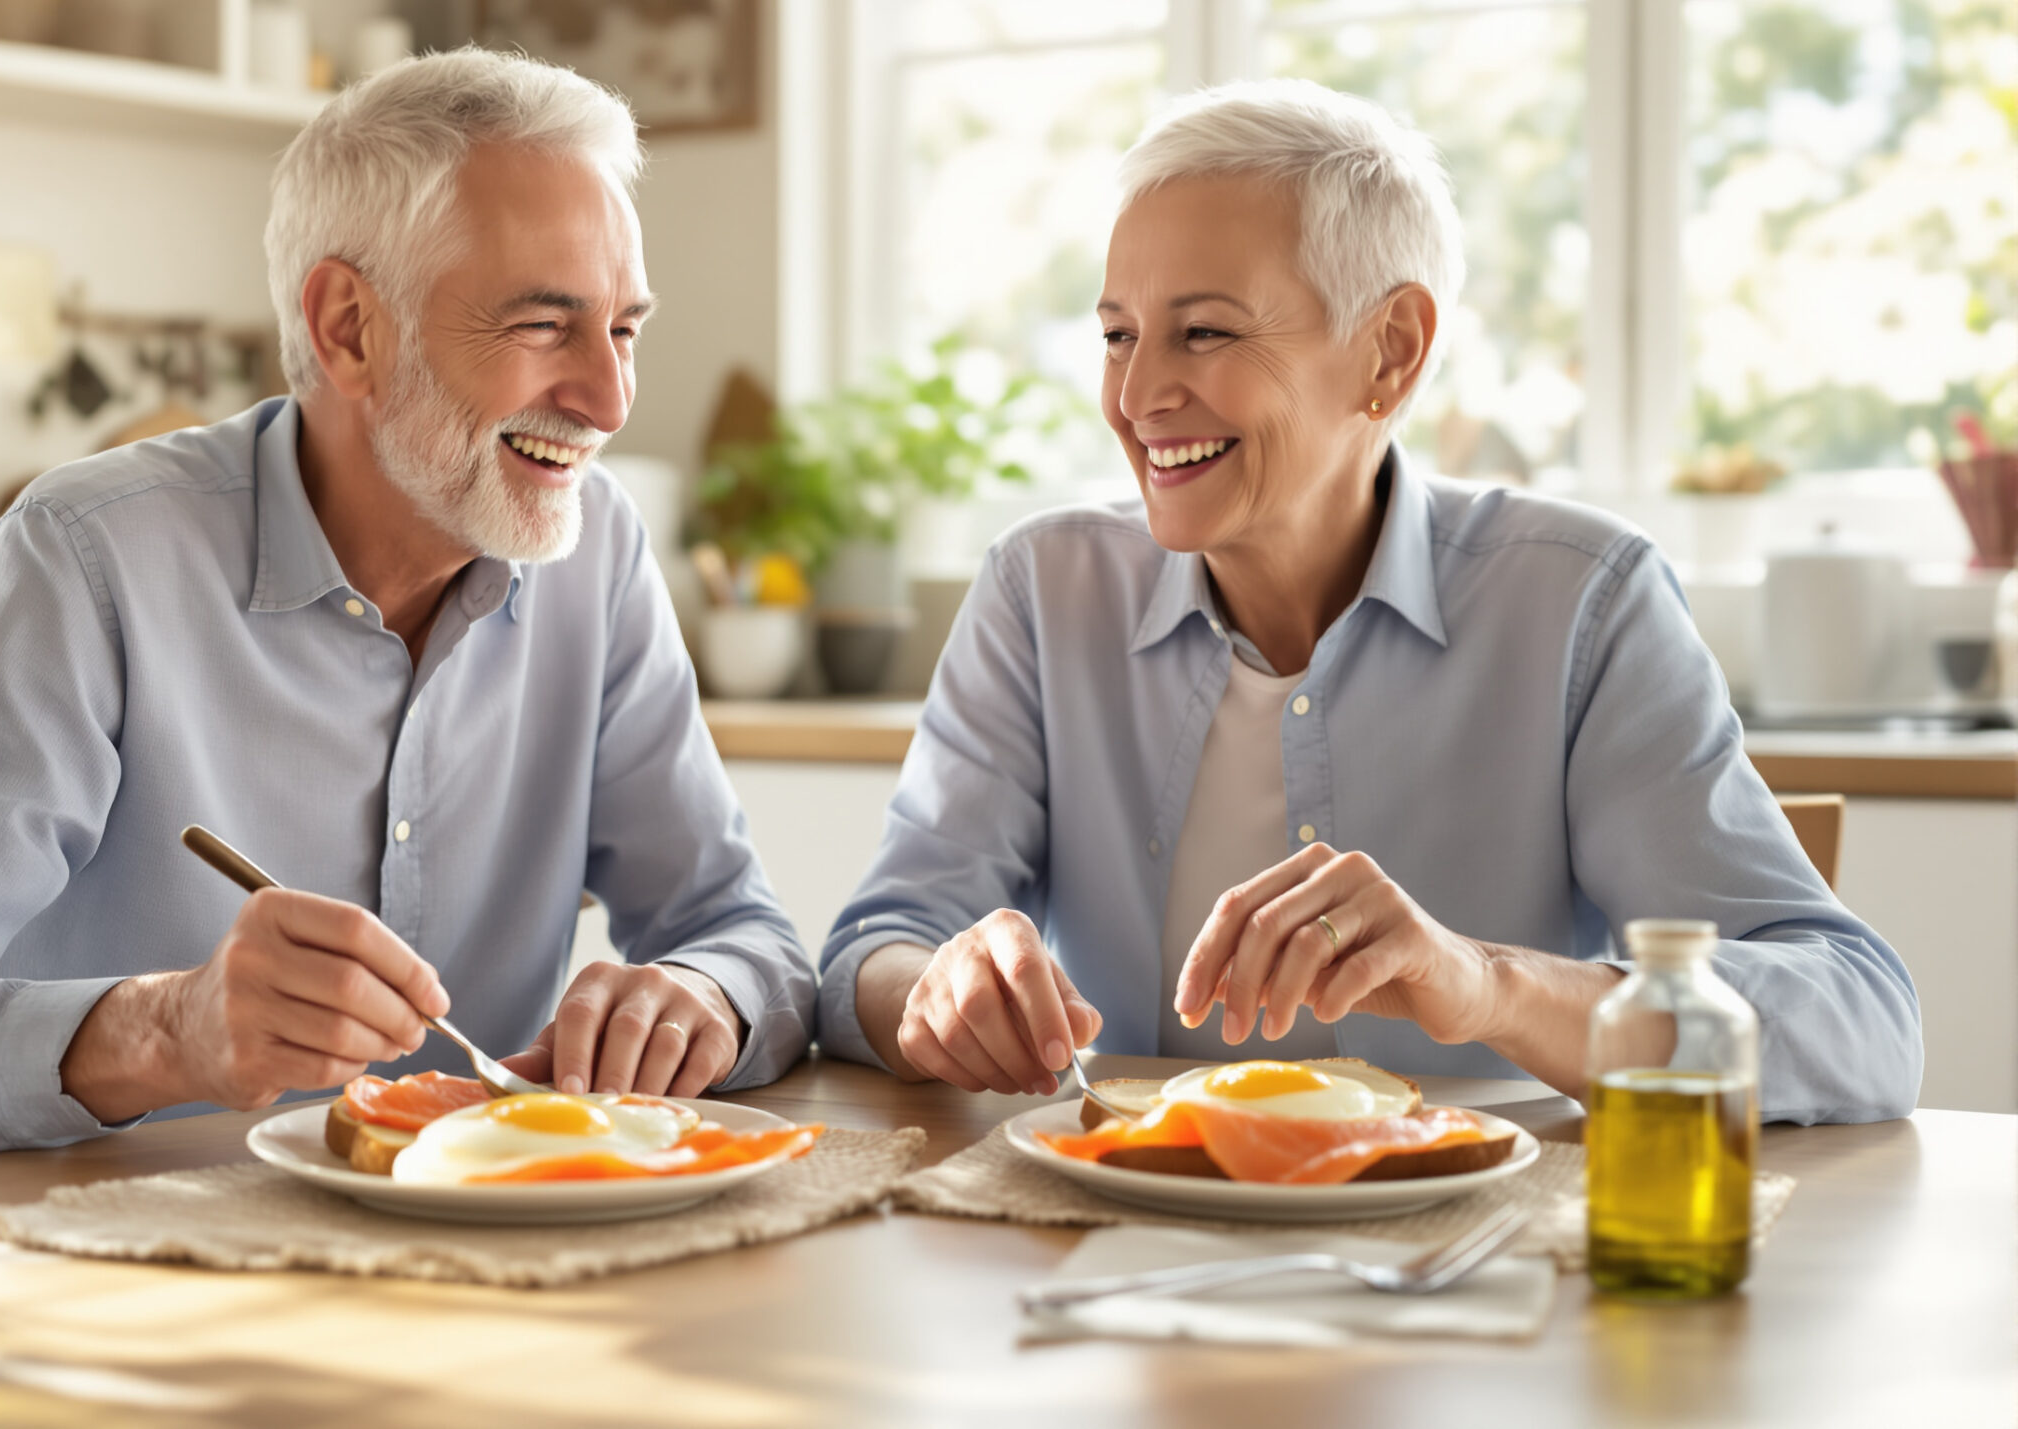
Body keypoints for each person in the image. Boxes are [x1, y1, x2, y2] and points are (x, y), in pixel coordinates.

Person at [0, 50, 815, 1153]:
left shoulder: (600, 551)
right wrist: (163, 1030)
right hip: (121, 1245)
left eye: (623, 330)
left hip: (496, 1240)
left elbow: (745, 938)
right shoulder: (94, 556)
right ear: (349, 328)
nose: (610, 401)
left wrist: (701, 994)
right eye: (542, 325)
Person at [817, 79, 1919, 1125]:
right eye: (1117, 335)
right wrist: (936, 988)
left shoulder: (1581, 601)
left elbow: (1862, 1021)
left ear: (1390, 353)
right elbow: (872, 952)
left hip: (1482, 1233)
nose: (1137, 394)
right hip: (1116, 1218)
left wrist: (1482, 982)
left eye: (1205, 331)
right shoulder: (1040, 590)